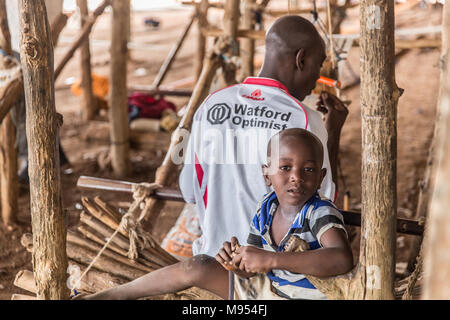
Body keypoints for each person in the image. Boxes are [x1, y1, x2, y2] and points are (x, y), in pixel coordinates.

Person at [77, 128, 353, 300]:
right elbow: (249, 272)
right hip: (265, 292)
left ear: (321, 177)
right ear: (266, 174)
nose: (296, 177)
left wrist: (271, 259)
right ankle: (117, 295)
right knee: (197, 265)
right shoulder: (266, 207)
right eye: (284, 168)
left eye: (307, 169)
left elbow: (341, 258)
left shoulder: (319, 212)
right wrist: (237, 264)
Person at [178, 15, 349, 258]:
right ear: (301, 59)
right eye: (318, 66)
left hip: (215, 260)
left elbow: (189, 191)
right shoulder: (304, 120)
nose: (317, 78)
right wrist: (332, 131)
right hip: (272, 268)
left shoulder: (212, 106)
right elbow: (323, 200)